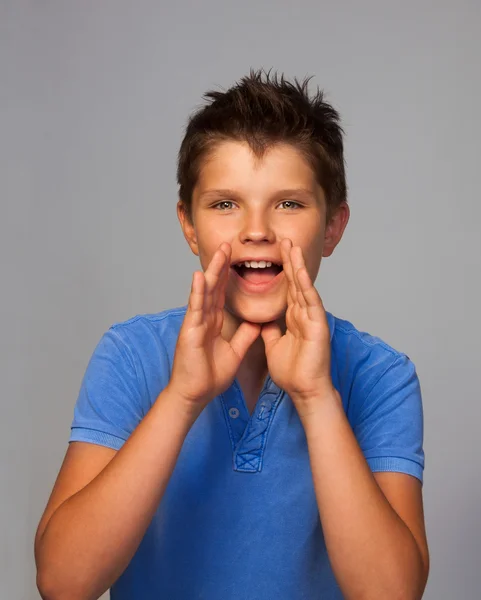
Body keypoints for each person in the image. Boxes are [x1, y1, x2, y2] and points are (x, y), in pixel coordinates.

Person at [35, 69, 429, 599]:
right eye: (225, 203)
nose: (256, 229)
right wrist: (181, 397)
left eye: (289, 203)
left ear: (333, 226)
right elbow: (63, 582)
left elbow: (391, 593)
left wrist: (316, 399)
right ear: (188, 224)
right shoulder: (131, 356)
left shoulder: (380, 375)